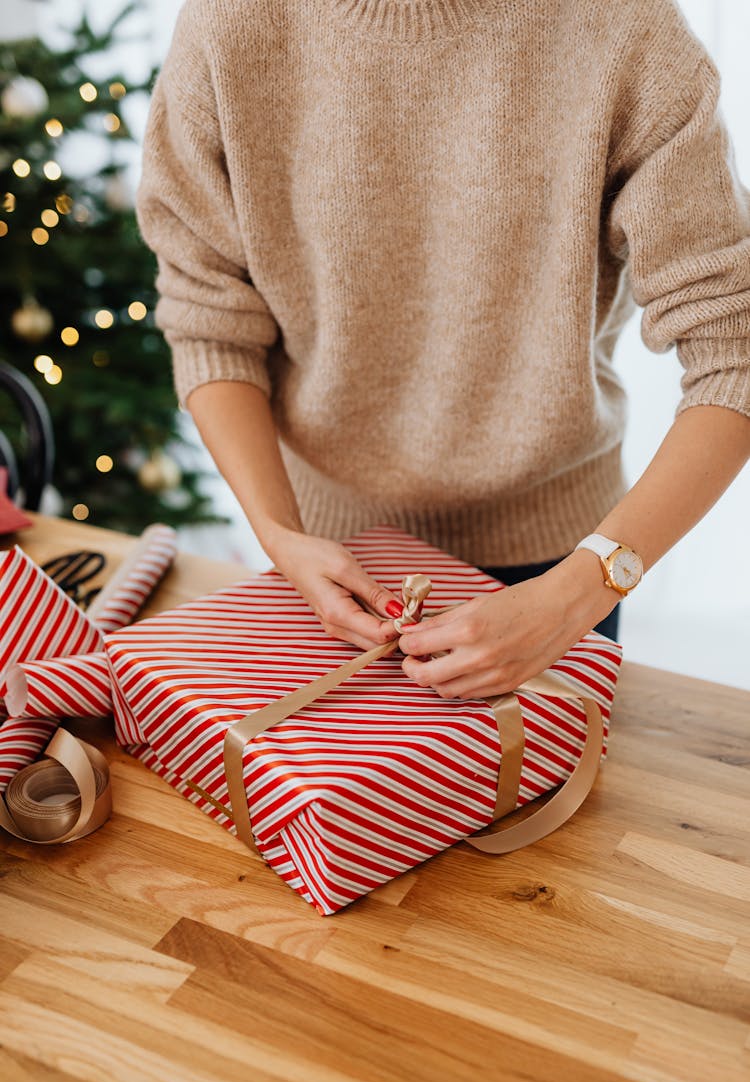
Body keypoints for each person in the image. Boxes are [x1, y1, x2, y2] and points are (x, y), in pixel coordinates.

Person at [135, 0, 750, 701]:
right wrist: (280, 535)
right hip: (326, 557)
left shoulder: (623, 27)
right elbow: (210, 319)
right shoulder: (230, 23)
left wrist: (581, 592)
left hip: (563, 567)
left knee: (558, 810)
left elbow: (735, 353)